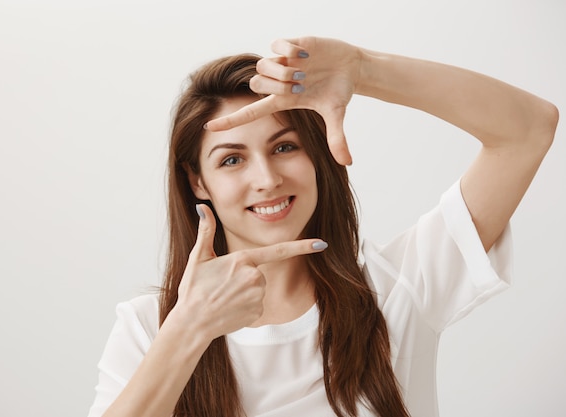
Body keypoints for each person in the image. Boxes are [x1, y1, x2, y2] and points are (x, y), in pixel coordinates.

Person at [87, 37, 558, 417]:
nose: (267, 179)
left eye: (284, 147)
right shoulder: (149, 327)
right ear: (197, 181)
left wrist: (363, 68)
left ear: (315, 156)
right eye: (232, 159)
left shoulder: (397, 288)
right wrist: (190, 328)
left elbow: (528, 129)